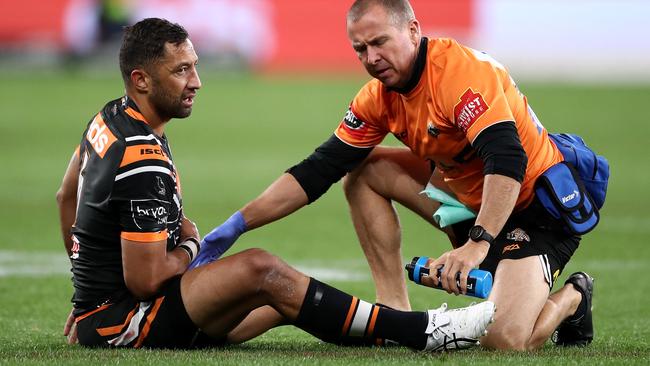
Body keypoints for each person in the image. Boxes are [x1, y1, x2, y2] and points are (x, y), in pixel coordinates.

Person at [55, 17, 495, 351]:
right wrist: (191, 244)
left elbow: (66, 194)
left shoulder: (109, 118)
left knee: (279, 302)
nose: (197, 82)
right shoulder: (140, 156)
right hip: (131, 318)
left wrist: (85, 290)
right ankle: (426, 331)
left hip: (108, 310)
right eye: (181, 71)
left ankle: (389, 331)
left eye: (194, 66)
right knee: (259, 269)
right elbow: (147, 279)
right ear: (141, 80)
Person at [193, 0, 598, 351]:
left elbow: (508, 161)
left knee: (505, 341)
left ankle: (574, 299)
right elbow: (318, 170)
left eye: (379, 42)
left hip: (535, 210)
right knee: (362, 170)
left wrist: (477, 244)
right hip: (475, 204)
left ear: (413, 30)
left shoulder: (461, 74)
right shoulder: (377, 97)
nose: (370, 58)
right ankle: (394, 313)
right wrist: (238, 224)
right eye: (360, 49)